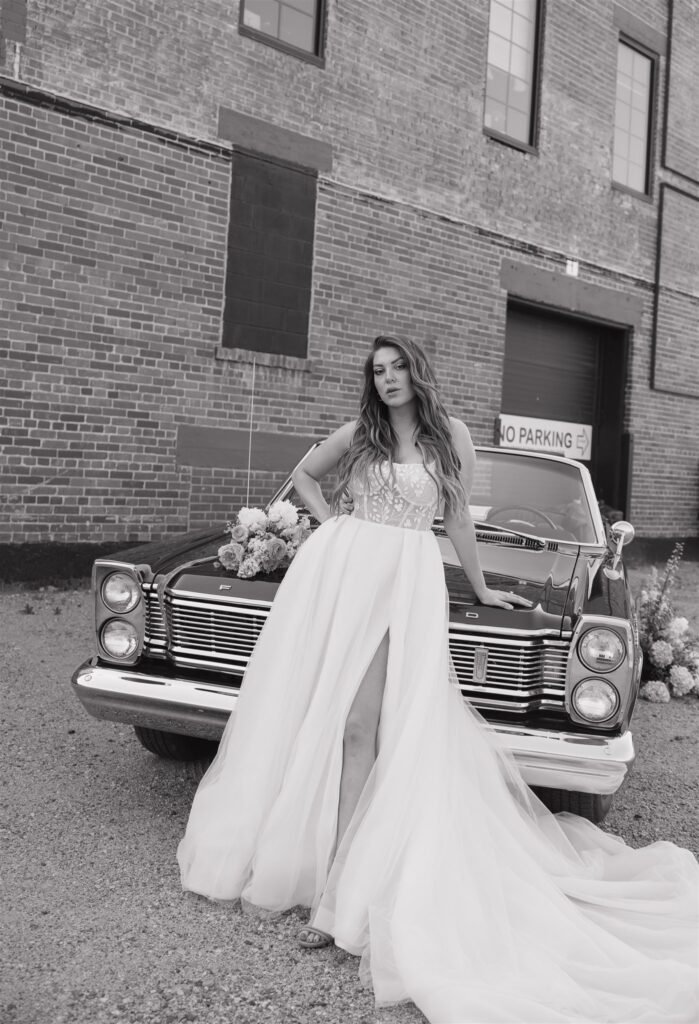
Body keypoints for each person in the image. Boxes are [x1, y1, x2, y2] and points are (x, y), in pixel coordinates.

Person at [177, 336, 698, 1024]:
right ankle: (329, 876)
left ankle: (339, 892)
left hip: (407, 579)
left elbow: (452, 517)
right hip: (346, 573)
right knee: (336, 719)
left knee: (369, 723)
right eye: (376, 370)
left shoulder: (449, 434)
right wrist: (335, 528)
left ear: (417, 372)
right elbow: (303, 477)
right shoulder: (358, 432)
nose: (386, 379)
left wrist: (483, 591)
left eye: (396, 368)